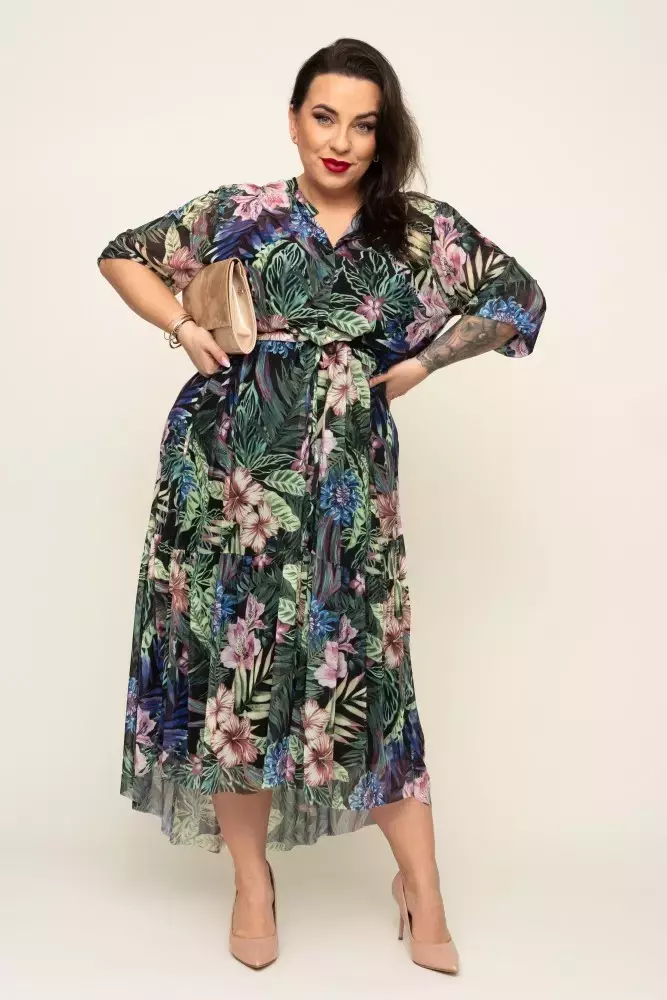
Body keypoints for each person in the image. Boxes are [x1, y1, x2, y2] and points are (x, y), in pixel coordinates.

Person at [97, 37, 546, 974]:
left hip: (346, 478)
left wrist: (421, 362)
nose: (340, 142)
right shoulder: (241, 212)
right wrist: (182, 326)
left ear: (385, 136)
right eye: (323, 117)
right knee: (237, 671)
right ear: (294, 120)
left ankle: (421, 888)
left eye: (362, 125)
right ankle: (251, 884)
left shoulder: (415, 228)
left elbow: (517, 300)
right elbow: (122, 256)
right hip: (226, 471)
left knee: (367, 672)